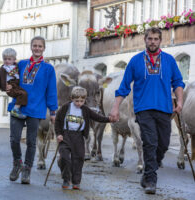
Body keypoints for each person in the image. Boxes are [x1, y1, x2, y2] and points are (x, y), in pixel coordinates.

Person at [109, 27, 185, 194]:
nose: (153, 41)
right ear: (145, 40)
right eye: (150, 38)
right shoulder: (135, 61)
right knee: (150, 143)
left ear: (160, 41)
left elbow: (178, 82)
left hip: (165, 109)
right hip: (143, 110)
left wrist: (179, 102)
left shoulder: (169, 60)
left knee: (163, 145)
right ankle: (151, 180)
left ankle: (148, 171)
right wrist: (115, 108)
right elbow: (123, 88)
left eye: (156, 39)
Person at [7, 36, 58, 184]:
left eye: (40, 46)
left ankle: (27, 170)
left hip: (36, 108)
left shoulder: (48, 68)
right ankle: (17, 163)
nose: (37, 48)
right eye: (34, 45)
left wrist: (53, 112)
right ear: (31, 47)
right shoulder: (21, 64)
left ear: (44, 48)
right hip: (18, 107)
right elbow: (10, 77)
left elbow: (51, 91)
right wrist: (6, 85)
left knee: (31, 142)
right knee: (14, 139)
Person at [55, 86, 113, 190]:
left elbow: (97, 117)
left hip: (78, 137)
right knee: (64, 157)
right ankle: (66, 179)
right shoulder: (66, 108)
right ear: (71, 98)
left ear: (84, 100)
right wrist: (58, 134)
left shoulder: (85, 110)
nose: (79, 103)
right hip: (65, 135)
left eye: (82, 101)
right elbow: (58, 120)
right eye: (76, 101)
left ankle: (76, 182)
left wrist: (109, 119)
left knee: (78, 159)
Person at [0, 48, 27, 119]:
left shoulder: (16, 67)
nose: (7, 61)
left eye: (9, 59)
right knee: (22, 94)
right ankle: (15, 110)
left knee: (24, 93)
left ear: (14, 59)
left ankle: (17, 108)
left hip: (16, 85)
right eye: (5, 59)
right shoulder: (2, 69)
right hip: (8, 85)